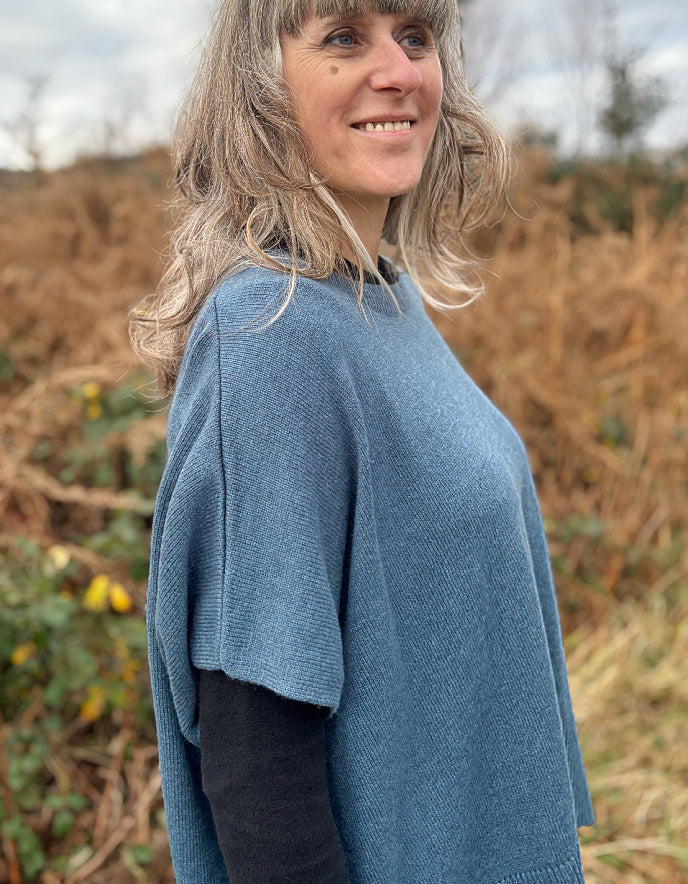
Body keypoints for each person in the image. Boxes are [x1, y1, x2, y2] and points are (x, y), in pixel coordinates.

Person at [129, 0, 595, 882]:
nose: (400, 71)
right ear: (259, 88)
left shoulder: (381, 298)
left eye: (415, 37)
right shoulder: (267, 333)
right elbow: (259, 761)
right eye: (344, 36)